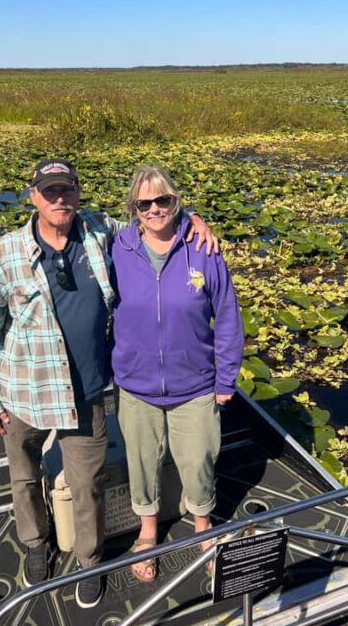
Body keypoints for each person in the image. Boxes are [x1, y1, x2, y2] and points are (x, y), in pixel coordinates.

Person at [0, 158, 217, 608]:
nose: (59, 199)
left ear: (78, 194)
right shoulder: (7, 253)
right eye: (50, 192)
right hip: (25, 390)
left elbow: (155, 215)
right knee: (24, 477)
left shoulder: (102, 233)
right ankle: (35, 542)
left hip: (87, 391)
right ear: (33, 197)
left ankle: (89, 560)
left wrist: (195, 218)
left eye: (66, 190)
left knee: (88, 483)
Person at [110, 166, 244, 583]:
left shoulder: (203, 250)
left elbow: (226, 318)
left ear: (176, 200)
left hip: (195, 384)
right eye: (144, 203)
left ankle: (203, 526)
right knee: (142, 464)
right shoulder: (117, 247)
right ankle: (148, 534)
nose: (154, 210)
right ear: (134, 208)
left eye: (163, 200)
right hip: (136, 385)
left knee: (199, 461)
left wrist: (226, 380)